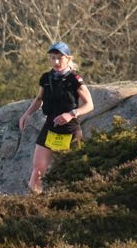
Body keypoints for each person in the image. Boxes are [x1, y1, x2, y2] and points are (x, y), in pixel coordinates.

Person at [19, 42, 93, 193]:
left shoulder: (75, 78)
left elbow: (90, 105)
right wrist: (26, 114)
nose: (56, 62)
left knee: (73, 170)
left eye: (60, 58)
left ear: (69, 58)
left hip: (70, 129)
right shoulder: (46, 78)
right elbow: (39, 99)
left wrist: (71, 114)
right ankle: (34, 204)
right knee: (37, 171)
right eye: (53, 58)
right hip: (50, 127)